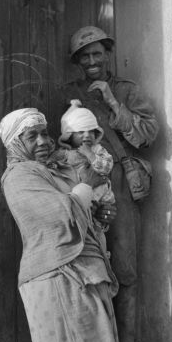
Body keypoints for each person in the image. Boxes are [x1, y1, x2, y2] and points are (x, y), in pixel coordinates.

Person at [0, 107, 124, 342]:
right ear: (14, 143)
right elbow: (58, 216)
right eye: (31, 136)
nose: (42, 140)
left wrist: (100, 213)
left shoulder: (55, 169)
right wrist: (86, 190)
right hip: (54, 277)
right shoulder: (20, 176)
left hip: (88, 271)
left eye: (44, 132)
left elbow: (86, 211)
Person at [61, 25, 159, 342]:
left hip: (119, 180)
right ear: (77, 61)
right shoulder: (68, 93)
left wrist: (112, 102)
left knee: (126, 266)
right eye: (84, 56)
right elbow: (61, 141)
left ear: (108, 55)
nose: (91, 61)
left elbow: (148, 134)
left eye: (97, 54)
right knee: (84, 262)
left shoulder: (126, 91)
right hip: (80, 180)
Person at [52, 98, 115, 238]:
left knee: (96, 229)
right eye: (80, 132)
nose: (87, 135)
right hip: (76, 200)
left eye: (91, 131)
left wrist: (91, 155)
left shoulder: (98, 150)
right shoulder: (63, 154)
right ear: (69, 136)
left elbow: (106, 168)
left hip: (100, 199)